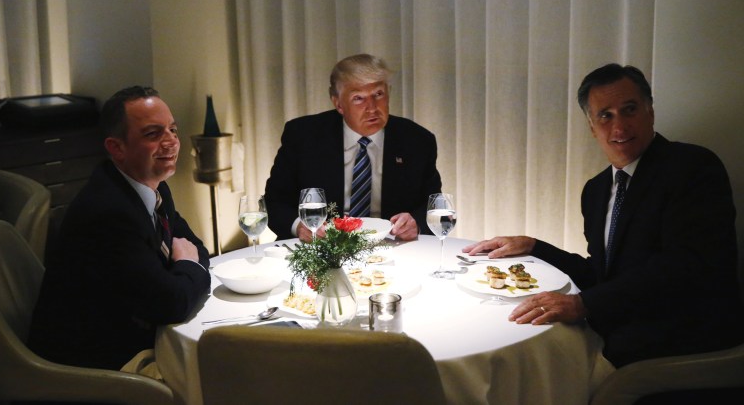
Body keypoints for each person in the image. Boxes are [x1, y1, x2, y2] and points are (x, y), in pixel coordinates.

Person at [464, 64, 744, 368]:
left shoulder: (692, 167)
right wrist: (533, 246)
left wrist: (584, 304)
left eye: (630, 109)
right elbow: (603, 275)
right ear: (591, 126)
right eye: (605, 115)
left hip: (686, 339)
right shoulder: (596, 190)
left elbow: (685, 266)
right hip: (629, 325)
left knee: (547, 357)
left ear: (650, 111)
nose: (619, 127)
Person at [28, 86, 211, 373]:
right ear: (117, 147)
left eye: (173, 130)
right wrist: (187, 265)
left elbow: (198, 247)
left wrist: (185, 268)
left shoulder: (153, 185)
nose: (171, 142)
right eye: (153, 134)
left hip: (132, 334)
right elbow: (171, 302)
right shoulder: (108, 212)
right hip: (92, 366)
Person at [265, 53, 442, 242]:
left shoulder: (417, 140)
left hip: (391, 246)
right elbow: (275, 202)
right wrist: (299, 225)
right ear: (338, 104)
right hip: (322, 246)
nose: (372, 107)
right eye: (359, 98)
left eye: (378, 94)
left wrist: (416, 223)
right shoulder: (303, 136)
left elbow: (434, 206)